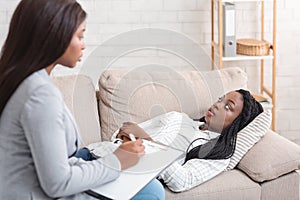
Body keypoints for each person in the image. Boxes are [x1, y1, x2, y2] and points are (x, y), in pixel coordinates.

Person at [0, 0, 164, 199]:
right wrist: (118, 160)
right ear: (54, 35)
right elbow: (57, 183)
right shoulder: (39, 95)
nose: (84, 45)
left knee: (149, 188)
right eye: (80, 35)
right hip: (39, 193)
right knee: (151, 192)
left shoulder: (23, 80)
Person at [114, 89, 264, 192]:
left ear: (236, 124)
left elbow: (182, 181)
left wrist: (146, 140)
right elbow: (125, 130)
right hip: (107, 153)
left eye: (227, 107)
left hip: (130, 175)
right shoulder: (177, 117)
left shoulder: (216, 152)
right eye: (220, 99)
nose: (217, 105)